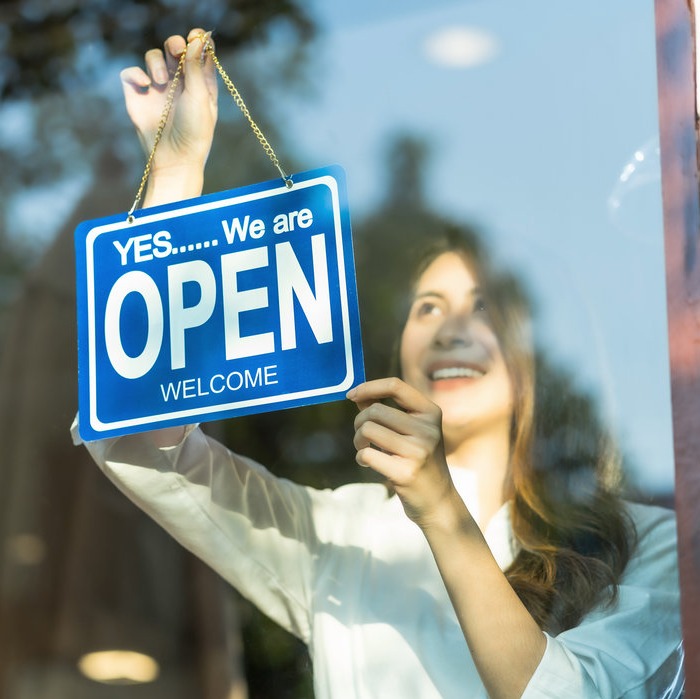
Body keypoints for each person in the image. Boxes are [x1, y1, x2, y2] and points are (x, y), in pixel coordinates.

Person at [73, 30, 683, 698]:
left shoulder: (653, 542)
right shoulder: (342, 532)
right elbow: (142, 439)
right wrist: (176, 172)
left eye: (482, 307)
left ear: (537, 354)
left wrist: (443, 510)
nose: (451, 327)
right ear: (401, 359)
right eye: (427, 307)